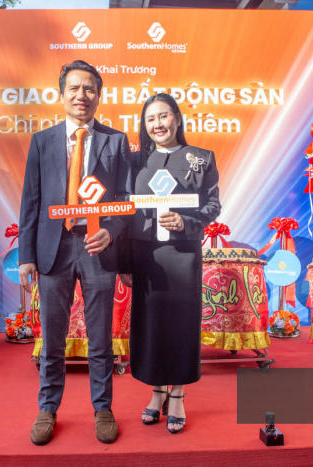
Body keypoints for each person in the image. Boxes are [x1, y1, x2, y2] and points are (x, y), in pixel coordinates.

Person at [18, 60, 131, 445]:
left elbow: (125, 199)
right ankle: (47, 408)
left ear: (99, 95)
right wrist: (26, 256)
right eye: (74, 88)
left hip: (97, 247)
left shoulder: (116, 141)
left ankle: (103, 408)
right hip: (53, 248)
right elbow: (30, 201)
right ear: (62, 94)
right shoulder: (42, 141)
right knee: (53, 337)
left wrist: (111, 233)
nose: (82, 96)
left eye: (89, 89)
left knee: (100, 336)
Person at [120, 93, 221, 434]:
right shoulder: (134, 161)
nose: (157, 124)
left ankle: (177, 394)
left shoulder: (201, 158)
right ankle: (157, 390)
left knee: (179, 324)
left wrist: (186, 222)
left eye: (163, 116)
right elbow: (125, 214)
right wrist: (125, 262)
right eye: (150, 119)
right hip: (145, 256)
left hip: (181, 255)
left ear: (177, 118)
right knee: (150, 325)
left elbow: (212, 206)